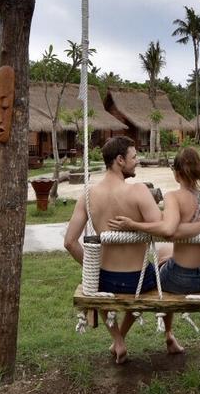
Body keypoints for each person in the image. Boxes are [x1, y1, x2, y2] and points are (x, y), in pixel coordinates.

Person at [64, 136, 167, 364]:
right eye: (133, 157)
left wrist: (92, 270)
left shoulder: (88, 196)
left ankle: (118, 340)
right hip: (138, 280)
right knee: (165, 257)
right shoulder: (139, 191)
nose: (137, 161)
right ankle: (160, 335)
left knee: (94, 282)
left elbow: (70, 242)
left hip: (106, 280)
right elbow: (163, 228)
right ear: (120, 160)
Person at [106, 146, 200, 356]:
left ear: (177, 173)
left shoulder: (174, 196)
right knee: (166, 254)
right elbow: (176, 233)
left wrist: (133, 224)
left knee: (150, 277)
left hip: (182, 280)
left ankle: (126, 338)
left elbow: (167, 230)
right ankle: (169, 337)